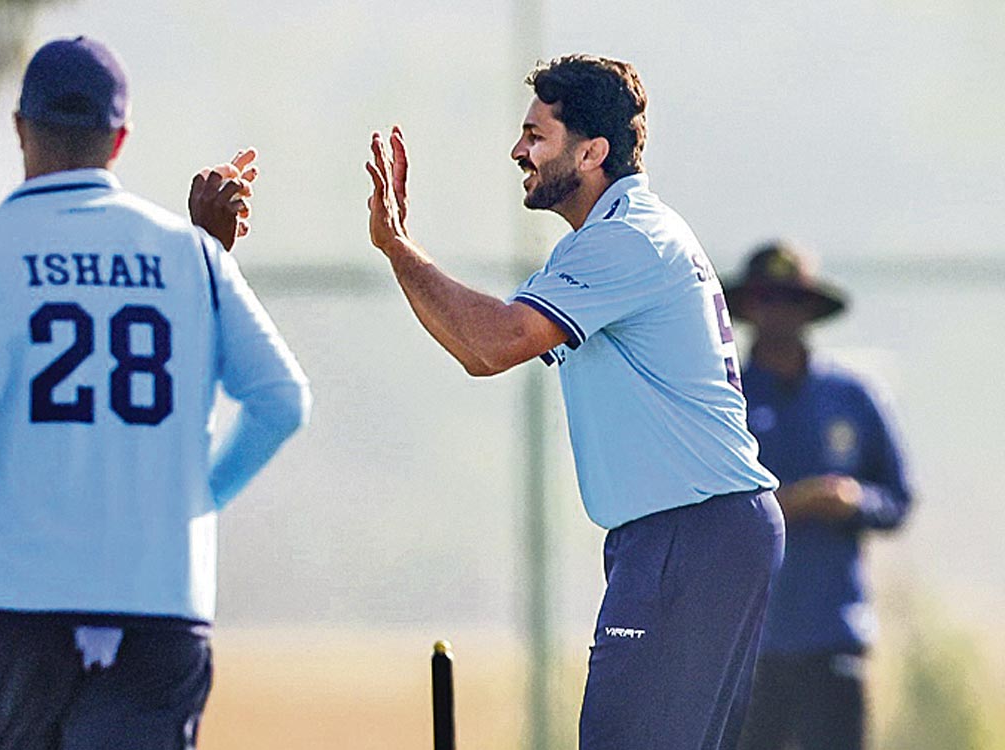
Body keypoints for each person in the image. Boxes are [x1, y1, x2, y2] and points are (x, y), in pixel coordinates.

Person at [0, 36, 310, 749]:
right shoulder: (192, 256)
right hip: (156, 607)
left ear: (20, 128)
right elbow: (282, 402)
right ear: (121, 137)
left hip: (9, 612)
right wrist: (197, 497)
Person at [365, 54, 784, 749]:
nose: (518, 151)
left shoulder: (625, 240)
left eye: (537, 135)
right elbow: (478, 345)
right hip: (691, 532)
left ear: (592, 152)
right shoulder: (612, 237)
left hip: (690, 532)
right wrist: (399, 252)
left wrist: (399, 249)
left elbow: (491, 344)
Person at [729, 241, 914, 750]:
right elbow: (703, 511)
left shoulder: (852, 396)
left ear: (810, 307)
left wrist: (854, 502)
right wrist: (780, 508)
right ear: (748, 306)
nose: (780, 312)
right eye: (768, 298)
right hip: (748, 641)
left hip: (833, 632)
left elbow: (897, 499)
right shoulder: (724, 398)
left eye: (792, 298)